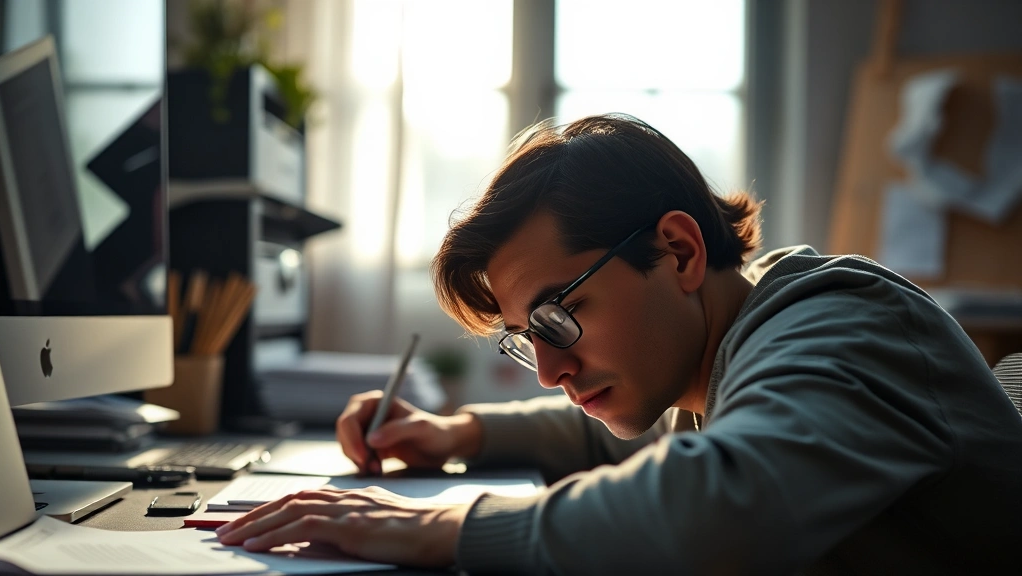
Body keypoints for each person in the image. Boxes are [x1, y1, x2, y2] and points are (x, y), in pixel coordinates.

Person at [216, 114, 1022, 573]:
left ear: (677, 250)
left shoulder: (839, 325)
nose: (554, 371)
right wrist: (459, 434)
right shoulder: (726, 339)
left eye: (560, 319)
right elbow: (613, 436)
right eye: (531, 342)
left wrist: (430, 528)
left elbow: (717, 503)